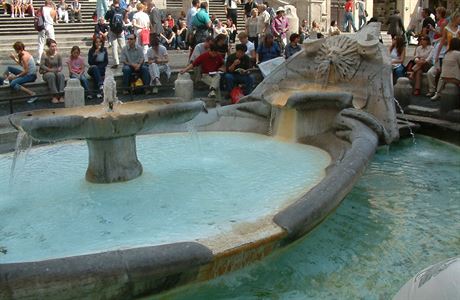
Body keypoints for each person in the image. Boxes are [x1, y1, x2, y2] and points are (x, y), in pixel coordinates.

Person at [39, 39, 65, 104]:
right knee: (51, 75)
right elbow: (42, 65)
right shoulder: (44, 54)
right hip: (47, 72)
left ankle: (61, 94)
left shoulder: (58, 54)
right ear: (49, 47)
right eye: (52, 46)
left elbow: (60, 65)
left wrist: (59, 68)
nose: (54, 48)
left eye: (55, 46)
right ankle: (54, 95)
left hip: (56, 71)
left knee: (61, 75)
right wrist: (50, 70)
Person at [105, 0, 127, 69]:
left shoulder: (110, 11)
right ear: (119, 3)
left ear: (113, 3)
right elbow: (124, 19)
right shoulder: (123, 11)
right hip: (120, 31)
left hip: (113, 31)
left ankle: (116, 62)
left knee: (114, 47)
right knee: (123, 46)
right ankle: (126, 61)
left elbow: (106, 18)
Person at [37, 0, 56, 64]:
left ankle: (39, 60)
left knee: (41, 43)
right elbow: (55, 20)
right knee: (52, 43)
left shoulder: (40, 9)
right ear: (50, 3)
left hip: (42, 28)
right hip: (50, 27)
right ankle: (52, 57)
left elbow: (37, 17)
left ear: (44, 3)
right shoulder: (53, 10)